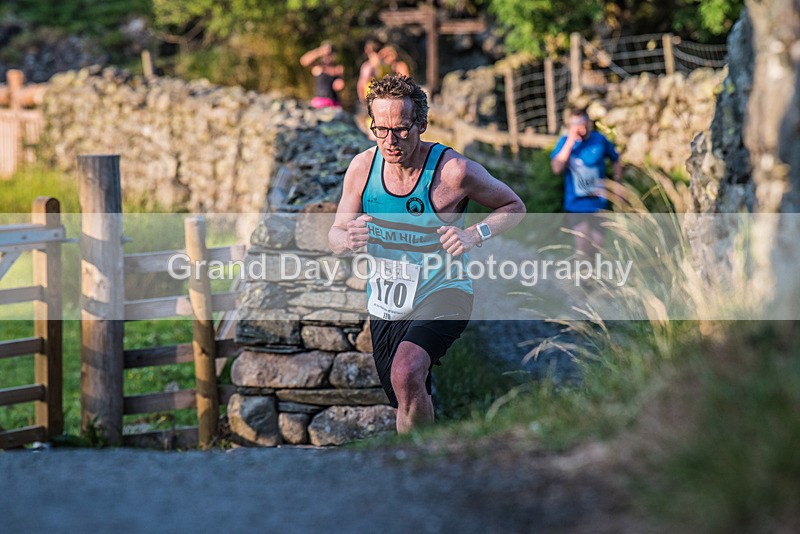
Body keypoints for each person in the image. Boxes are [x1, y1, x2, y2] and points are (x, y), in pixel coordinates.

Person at [328, 74, 525, 433]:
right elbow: (335, 234)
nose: (390, 141)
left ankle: (422, 454)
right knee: (404, 391)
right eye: (380, 129)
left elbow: (514, 206)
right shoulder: (362, 168)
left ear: (421, 124)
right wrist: (347, 238)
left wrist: (473, 234)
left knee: (406, 371)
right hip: (387, 301)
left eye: (401, 130)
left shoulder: (453, 172)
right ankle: (420, 456)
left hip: (444, 290)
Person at [550, 107, 622, 258]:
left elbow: (616, 159)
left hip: (598, 202)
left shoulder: (599, 140)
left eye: (581, 124)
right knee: (582, 245)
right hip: (576, 204)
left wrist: (617, 183)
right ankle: (583, 273)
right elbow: (556, 168)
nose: (579, 128)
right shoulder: (565, 142)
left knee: (598, 245)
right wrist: (570, 141)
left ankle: (596, 272)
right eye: (574, 125)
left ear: (587, 123)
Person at [300, 41, 345, 109]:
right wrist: (320, 51)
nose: (328, 57)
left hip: (334, 103)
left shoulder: (338, 69)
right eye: (326, 55)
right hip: (320, 102)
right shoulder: (318, 67)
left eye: (330, 54)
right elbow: (304, 61)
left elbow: (340, 85)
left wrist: (340, 84)